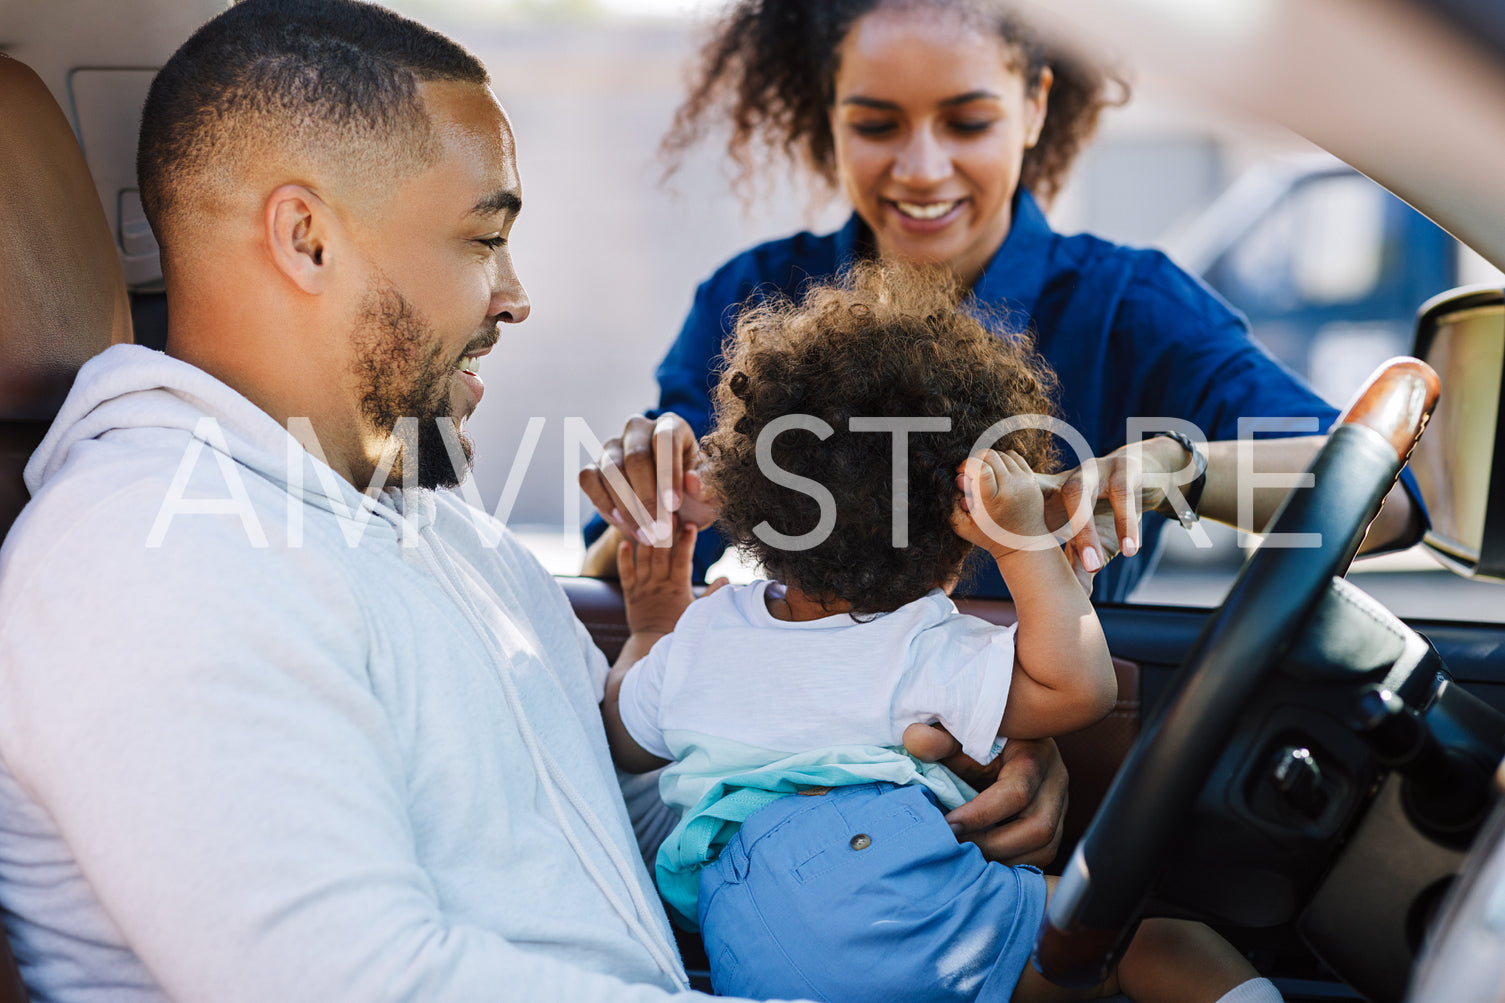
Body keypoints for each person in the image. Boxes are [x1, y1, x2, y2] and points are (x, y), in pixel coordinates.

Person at [0, 2, 803, 1000]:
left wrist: (900, 794)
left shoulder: (441, 529)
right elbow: (357, 981)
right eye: (481, 238)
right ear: (307, 239)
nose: (513, 296)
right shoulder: (149, 556)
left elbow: (597, 836)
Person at [578, 0, 1422, 867]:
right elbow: (622, 574)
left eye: (967, 121)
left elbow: (1383, 498)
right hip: (788, 814)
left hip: (1042, 802)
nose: (921, 166)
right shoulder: (752, 295)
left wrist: (1175, 467)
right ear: (826, 112)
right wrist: (649, 498)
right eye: (874, 124)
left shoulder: (1131, 308)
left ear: (1034, 106)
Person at [599, 263, 1283, 1003]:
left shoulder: (706, 632)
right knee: (1159, 944)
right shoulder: (921, 646)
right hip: (892, 895)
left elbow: (621, 733)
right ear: (958, 542)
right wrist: (1022, 543)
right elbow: (1078, 687)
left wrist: (653, 619)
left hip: (746, 933)